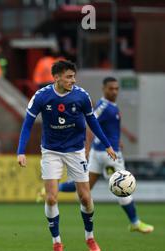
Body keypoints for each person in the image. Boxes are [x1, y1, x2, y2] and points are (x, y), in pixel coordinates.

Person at [17, 60, 117, 251]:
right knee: (51, 197)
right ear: (56, 78)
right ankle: (57, 243)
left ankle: (89, 237)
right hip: (51, 151)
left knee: (85, 197)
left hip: (75, 150)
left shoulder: (81, 96)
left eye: (74, 76)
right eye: (69, 76)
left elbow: (93, 122)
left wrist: (107, 144)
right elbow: (27, 124)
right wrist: (21, 151)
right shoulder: (41, 96)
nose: (73, 80)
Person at [58, 77, 153, 233]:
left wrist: (117, 140)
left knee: (86, 186)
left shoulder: (111, 106)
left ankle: (54, 188)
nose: (114, 91)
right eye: (111, 88)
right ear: (104, 89)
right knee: (123, 186)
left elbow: (108, 128)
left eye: (116, 89)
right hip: (109, 155)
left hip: (100, 151)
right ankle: (135, 223)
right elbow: (89, 123)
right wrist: (86, 146)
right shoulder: (103, 106)